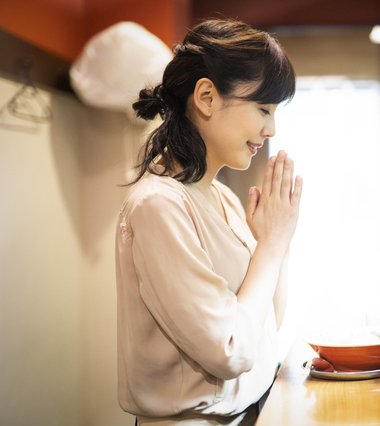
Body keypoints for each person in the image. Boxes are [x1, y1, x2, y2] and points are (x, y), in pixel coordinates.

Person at [115, 19, 302, 426]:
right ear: (206, 97)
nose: (270, 130)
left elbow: (267, 321)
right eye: (263, 109)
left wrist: (279, 239)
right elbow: (230, 349)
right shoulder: (158, 205)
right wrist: (268, 247)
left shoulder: (221, 196)